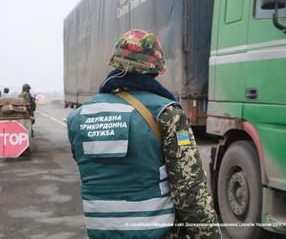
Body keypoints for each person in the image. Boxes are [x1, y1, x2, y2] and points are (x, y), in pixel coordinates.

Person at [67, 30, 221, 239]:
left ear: (116, 63)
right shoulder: (167, 114)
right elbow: (189, 189)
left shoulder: (78, 117)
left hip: (100, 232)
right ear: (156, 69)